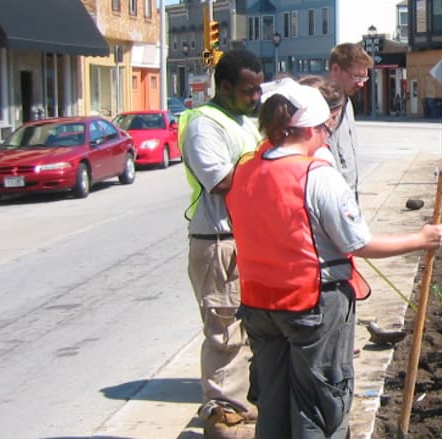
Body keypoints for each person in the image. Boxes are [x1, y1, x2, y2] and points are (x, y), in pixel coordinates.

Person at [226, 83, 442, 438]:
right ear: (312, 129)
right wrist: (420, 240)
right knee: (317, 404)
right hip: (311, 303)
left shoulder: (245, 171)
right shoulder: (316, 177)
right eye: (326, 130)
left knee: (273, 400)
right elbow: (357, 242)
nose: (326, 138)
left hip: (259, 304)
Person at [178, 48, 264, 439]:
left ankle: (241, 408)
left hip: (244, 240)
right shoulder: (204, 125)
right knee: (225, 333)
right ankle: (224, 422)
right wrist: (272, 168)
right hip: (218, 242)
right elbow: (222, 181)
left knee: (248, 332)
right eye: (249, 90)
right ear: (224, 86)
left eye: (259, 89)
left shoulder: (242, 121)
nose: (256, 97)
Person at [326, 43, 374, 199]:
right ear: (335, 70)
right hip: (333, 198)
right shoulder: (322, 109)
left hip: (349, 195)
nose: (361, 83)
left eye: (364, 77)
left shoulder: (347, 103)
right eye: (356, 77)